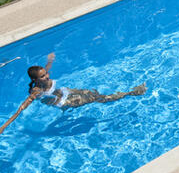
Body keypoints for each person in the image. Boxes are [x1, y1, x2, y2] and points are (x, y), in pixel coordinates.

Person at [0, 53, 146, 135]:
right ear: (35, 80)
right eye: (43, 76)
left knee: (93, 93)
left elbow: (47, 66)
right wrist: (4, 126)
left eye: (46, 74)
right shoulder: (37, 91)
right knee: (99, 99)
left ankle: (126, 93)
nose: (47, 76)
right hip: (65, 101)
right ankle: (132, 93)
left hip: (66, 91)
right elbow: (21, 109)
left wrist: (50, 59)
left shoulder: (45, 74)